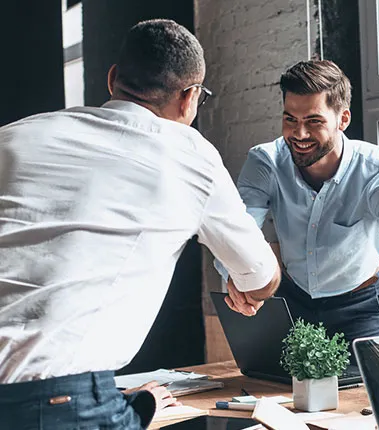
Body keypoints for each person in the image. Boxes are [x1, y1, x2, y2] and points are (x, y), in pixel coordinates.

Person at [0, 20, 280, 429]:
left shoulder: (14, 138)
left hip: (65, 394)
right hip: (60, 404)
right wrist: (244, 279)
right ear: (189, 98)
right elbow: (261, 281)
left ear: (113, 78)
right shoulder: (188, 154)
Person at [216, 60, 379, 345]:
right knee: (279, 388)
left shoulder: (378, 170)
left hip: (360, 307)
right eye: (290, 119)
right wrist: (235, 277)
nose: (299, 134)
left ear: (343, 119)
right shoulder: (266, 161)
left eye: (314, 121)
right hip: (292, 299)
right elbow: (236, 231)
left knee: (364, 390)